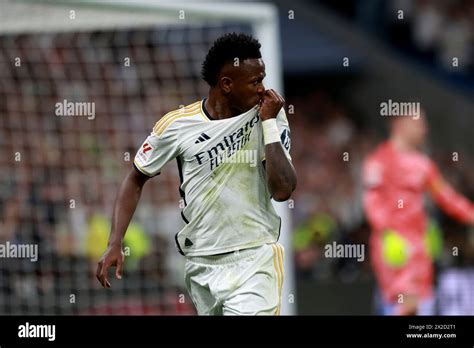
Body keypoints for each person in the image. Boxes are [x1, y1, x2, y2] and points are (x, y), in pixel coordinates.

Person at [96, 33, 297, 315]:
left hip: (255, 258)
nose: (263, 89)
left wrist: (268, 124)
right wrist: (115, 242)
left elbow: (283, 190)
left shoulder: (268, 115)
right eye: (255, 81)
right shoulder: (178, 125)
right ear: (227, 84)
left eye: (262, 79)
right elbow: (135, 177)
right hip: (201, 263)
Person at [362, 110, 474, 315]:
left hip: (420, 245)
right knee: (406, 303)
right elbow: (372, 202)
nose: (424, 129)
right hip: (395, 246)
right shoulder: (379, 161)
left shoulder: (423, 165)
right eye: (419, 123)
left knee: (421, 306)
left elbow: (446, 197)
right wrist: (388, 232)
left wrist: (471, 215)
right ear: (400, 123)